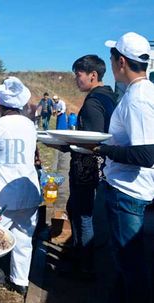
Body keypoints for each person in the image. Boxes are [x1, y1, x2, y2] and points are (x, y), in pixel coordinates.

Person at [90, 32, 154, 303]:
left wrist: (101, 149)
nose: (112, 62)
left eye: (112, 57)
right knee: (128, 262)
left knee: (131, 265)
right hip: (133, 191)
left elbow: (147, 154)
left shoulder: (139, 98)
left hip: (128, 194)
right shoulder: (144, 92)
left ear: (122, 62)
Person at [0, 77, 41, 297]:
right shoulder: (29, 124)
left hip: (4, 194)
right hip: (30, 190)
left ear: (1, 105)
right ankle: (20, 282)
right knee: (24, 238)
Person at [65, 55, 118, 276]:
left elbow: (93, 140)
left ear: (92, 75)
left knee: (82, 214)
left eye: (78, 75)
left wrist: (65, 143)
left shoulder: (94, 102)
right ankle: (80, 257)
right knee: (76, 209)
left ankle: (84, 266)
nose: (76, 80)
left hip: (87, 167)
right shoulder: (110, 96)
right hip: (100, 167)